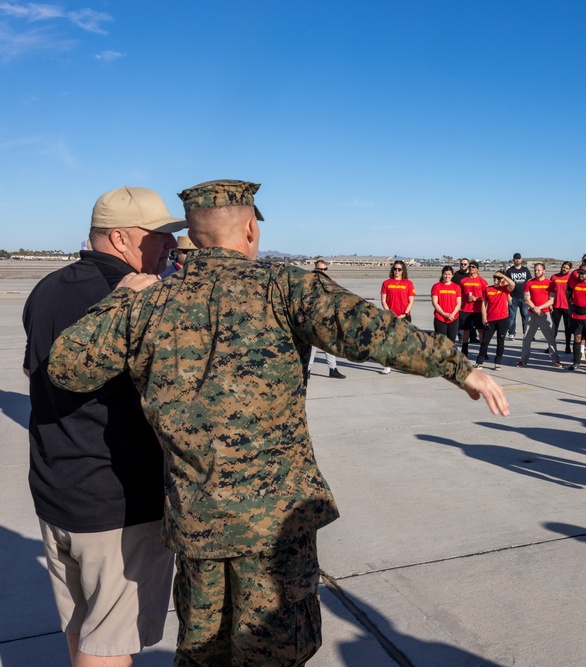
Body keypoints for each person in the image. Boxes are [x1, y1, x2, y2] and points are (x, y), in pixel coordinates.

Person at [47, 180, 508, 665]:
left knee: (204, 651)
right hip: (274, 526)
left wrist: (120, 298)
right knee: (275, 650)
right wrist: (460, 368)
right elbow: (372, 331)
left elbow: (67, 367)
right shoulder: (283, 286)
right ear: (250, 229)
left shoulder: (147, 301)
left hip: (198, 519)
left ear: (194, 236)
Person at [22, 186, 180, 666]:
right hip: (117, 501)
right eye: (160, 237)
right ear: (120, 238)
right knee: (109, 642)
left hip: (56, 489)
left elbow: (34, 374)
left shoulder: (46, 289)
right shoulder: (141, 299)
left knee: (82, 626)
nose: (170, 247)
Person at [517, 263, 562, 367]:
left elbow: (551, 300)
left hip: (545, 314)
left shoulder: (550, 283)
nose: (536, 272)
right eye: (535, 270)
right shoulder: (529, 283)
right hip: (532, 314)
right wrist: (534, 308)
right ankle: (523, 359)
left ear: (544, 271)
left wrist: (540, 308)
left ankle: (555, 359)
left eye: (539, 270)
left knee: (550, 338)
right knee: (527, 338)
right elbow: (526, 298)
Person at [308, 260, 346, 378]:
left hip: (328, 320)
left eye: (325, 269)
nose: (323, 272)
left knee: (330, 346)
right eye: (320, 269)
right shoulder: (309, 282)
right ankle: (307, 370)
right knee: (312, 347)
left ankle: (333, 369)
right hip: (314, 319)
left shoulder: (332, 282)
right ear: (315, 269)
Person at [378, 260, 416, 374]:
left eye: (399, 269)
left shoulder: (408, 283)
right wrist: (390, 313)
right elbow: (383, 301)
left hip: (404, 316)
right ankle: (387, 365)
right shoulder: (386, 283)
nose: (397, 271)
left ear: (403, 270)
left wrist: (404, 314)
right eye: (395, 269)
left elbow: (411, 301)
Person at [477, 271, 516, 369]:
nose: (495, 279)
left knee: (500, 341)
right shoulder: (488, 289)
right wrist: (483, 317)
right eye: (494, 277)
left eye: (498, 278)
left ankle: (498, 362)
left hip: (502, 319)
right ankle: (480, 361)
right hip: (490, 319)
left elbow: (513, 284)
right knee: (485, 341)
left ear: (502, 279)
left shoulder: (505, 289)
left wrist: (503, 276)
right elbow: (483, 304)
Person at [459, 261, 489, 358]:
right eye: (470, 266)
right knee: (465, 331)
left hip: (478, 310)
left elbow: (486, 297)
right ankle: (464, 351)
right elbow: (459, 295)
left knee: (480, 331)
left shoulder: (482, 282)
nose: (471, 268)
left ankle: (483, 352)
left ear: (477, 269)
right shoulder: (463, 281)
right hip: (465, 310)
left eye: (473, 267)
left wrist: (476, 299)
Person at [431, 264, 463, 341]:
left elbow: (458, 303)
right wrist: (444, 314)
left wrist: (452, 314)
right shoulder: (436, 286)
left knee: (451, 342)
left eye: (449, 274)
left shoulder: (456, 287)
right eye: (445, 274)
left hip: (453, 318)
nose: (447, 276)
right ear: (442, 274)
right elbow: (435, 303)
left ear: (452, 275)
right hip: (440, 317)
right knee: (440, 342)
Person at [504, 253, 531, 340]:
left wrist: (528, 295)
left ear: (521, 259)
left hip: (524, 298)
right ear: (513, 260)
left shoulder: (526, 270)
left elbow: (529, 282)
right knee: (512, 317)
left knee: (525, 316)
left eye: (518, 259)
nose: (517, 260)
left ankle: (526, 333)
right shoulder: (509, 271)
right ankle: (511, 333)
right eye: (516, 259)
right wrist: (508, 296)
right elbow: (505, 284)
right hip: (513, 297)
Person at [550, 261, 574, 354]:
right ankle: (551, 346)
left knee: (568, 328)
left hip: (567, 307)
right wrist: (550, 304)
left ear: (569, 269)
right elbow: (550, 291)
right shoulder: (554, 277)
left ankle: (567, 346)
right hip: (556, 306)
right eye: (563, 267)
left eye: (567, 268)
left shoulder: (571, 278)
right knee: (553, 328)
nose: (564, 269)